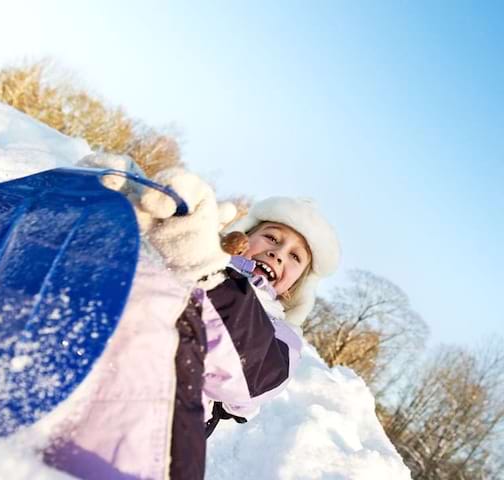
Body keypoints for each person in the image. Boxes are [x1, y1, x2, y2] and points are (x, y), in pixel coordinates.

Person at [42, 159, 340, 480]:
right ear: (242, 236)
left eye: (295, 256)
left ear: (296, 287)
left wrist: (208, 271)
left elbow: (251, 378)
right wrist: (115, 212)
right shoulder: (183, 252)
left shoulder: (280, 337)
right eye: (272, 237)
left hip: (149, 440)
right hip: (68, 378)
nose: (279, 253)